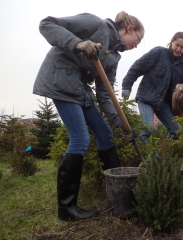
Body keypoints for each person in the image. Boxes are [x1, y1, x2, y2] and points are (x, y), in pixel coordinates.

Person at [33, 12, 144, 221]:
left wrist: (122, 123)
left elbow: (106, 95)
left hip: (80, 90)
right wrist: (78, 43)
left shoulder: (113, 57)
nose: (137, 45)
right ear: (129, 29)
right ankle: (67, 208)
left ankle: (118, 190)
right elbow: (47, 24)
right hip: (61, 79)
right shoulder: (95, 24)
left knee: (105, 133)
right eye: (138, 39)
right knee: (80, 139)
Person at [121, 32, 183, 142]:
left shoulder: (182, 66)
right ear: (171, 41)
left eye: (182, 47)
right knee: (147, 129)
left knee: (176, 132)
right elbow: (137, 67)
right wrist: (127, 85)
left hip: (162, 103)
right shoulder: (159, 53)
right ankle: (135, 155)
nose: (178, 49)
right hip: (147, 96)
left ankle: (158, 157)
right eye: (177, 45)